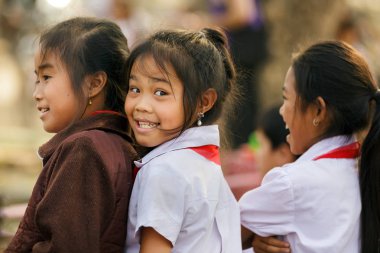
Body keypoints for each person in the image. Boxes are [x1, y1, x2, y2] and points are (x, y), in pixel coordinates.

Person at [5, 17, 138, 253]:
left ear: (94, 84)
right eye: (37, 79)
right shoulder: (113, 142)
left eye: (47, 77)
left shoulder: (83, 149)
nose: (37, 93)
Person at [239, 40, 378, 253]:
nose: (282, 111)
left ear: (318, 111)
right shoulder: (362, 172)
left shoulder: (291, 184)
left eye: (286, 98)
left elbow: (212, 240)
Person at [124, 28, 241, 253]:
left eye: (160, 92)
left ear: (203, 102)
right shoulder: (201, 163)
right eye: (135, 89)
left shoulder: (165, 170)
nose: (141, 105)